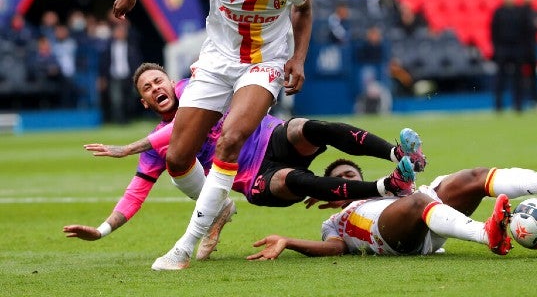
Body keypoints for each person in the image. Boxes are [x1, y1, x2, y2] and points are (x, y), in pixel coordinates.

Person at [64, 63, 427, 270]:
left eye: (158, 79)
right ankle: (387, 186)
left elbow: (188, 124)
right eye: (147, 87)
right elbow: (134, 195)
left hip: (270, 137)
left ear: (172, 84)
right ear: (144, 102)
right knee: (294, 180)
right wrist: (101, 231)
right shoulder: (156, 148)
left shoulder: (195, 89)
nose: (155, 86)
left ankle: (399, 155)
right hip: (254, 178)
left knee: (312, 128)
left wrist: (127, 147)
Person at [111, 0, 313, 269]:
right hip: (216, 62)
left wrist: (299, 58)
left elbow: (304, 8)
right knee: (177, 158)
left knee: (230, 139)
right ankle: (219, 208)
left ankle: (183, 247)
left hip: (264, 63)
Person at [247, 135, 537, 260]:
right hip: (391, 237)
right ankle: (485, 233)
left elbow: (412, 178)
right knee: (419, 201)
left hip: (429, 219)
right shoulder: (335, 221)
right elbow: (334, 248)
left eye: (352, 175)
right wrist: (288, 241)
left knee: (471, 177)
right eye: (340, 180)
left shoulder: (391, 189)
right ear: (327, 192)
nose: (349, 180)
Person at [490, 0, 527, 112]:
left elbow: (525, 31)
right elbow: (493, 32)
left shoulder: (520, 12)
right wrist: (496, 49)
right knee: (500, 79)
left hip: (517, 48)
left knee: (518, 79)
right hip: (503, 48)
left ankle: (518, 105)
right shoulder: (498, 12)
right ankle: (498, 106)